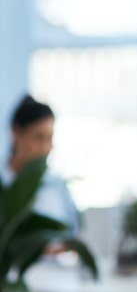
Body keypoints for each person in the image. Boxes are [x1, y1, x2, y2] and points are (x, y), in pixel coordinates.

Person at [2, 94, 80, 236]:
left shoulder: (56, 186)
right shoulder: (4, 187)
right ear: (16, 133)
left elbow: (73, 233)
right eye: (38, 137)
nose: (45, 148)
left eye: (50, 138)